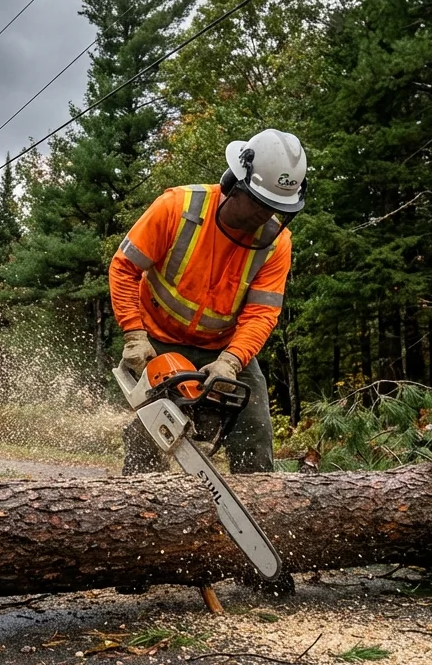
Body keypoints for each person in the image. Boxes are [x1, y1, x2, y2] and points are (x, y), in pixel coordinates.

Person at [109, 128, 305, 476]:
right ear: (235, 183)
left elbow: (262, 313)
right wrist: (134, 334)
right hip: (158, 337)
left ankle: (261, 505)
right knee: (147, 435)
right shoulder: (177, 207)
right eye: (260, 204)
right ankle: (136, 506)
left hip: (224, 347)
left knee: (255, 428)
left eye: (274, 208)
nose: (264, 217)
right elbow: (124, 267)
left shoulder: (277, 243)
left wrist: (231, 361)